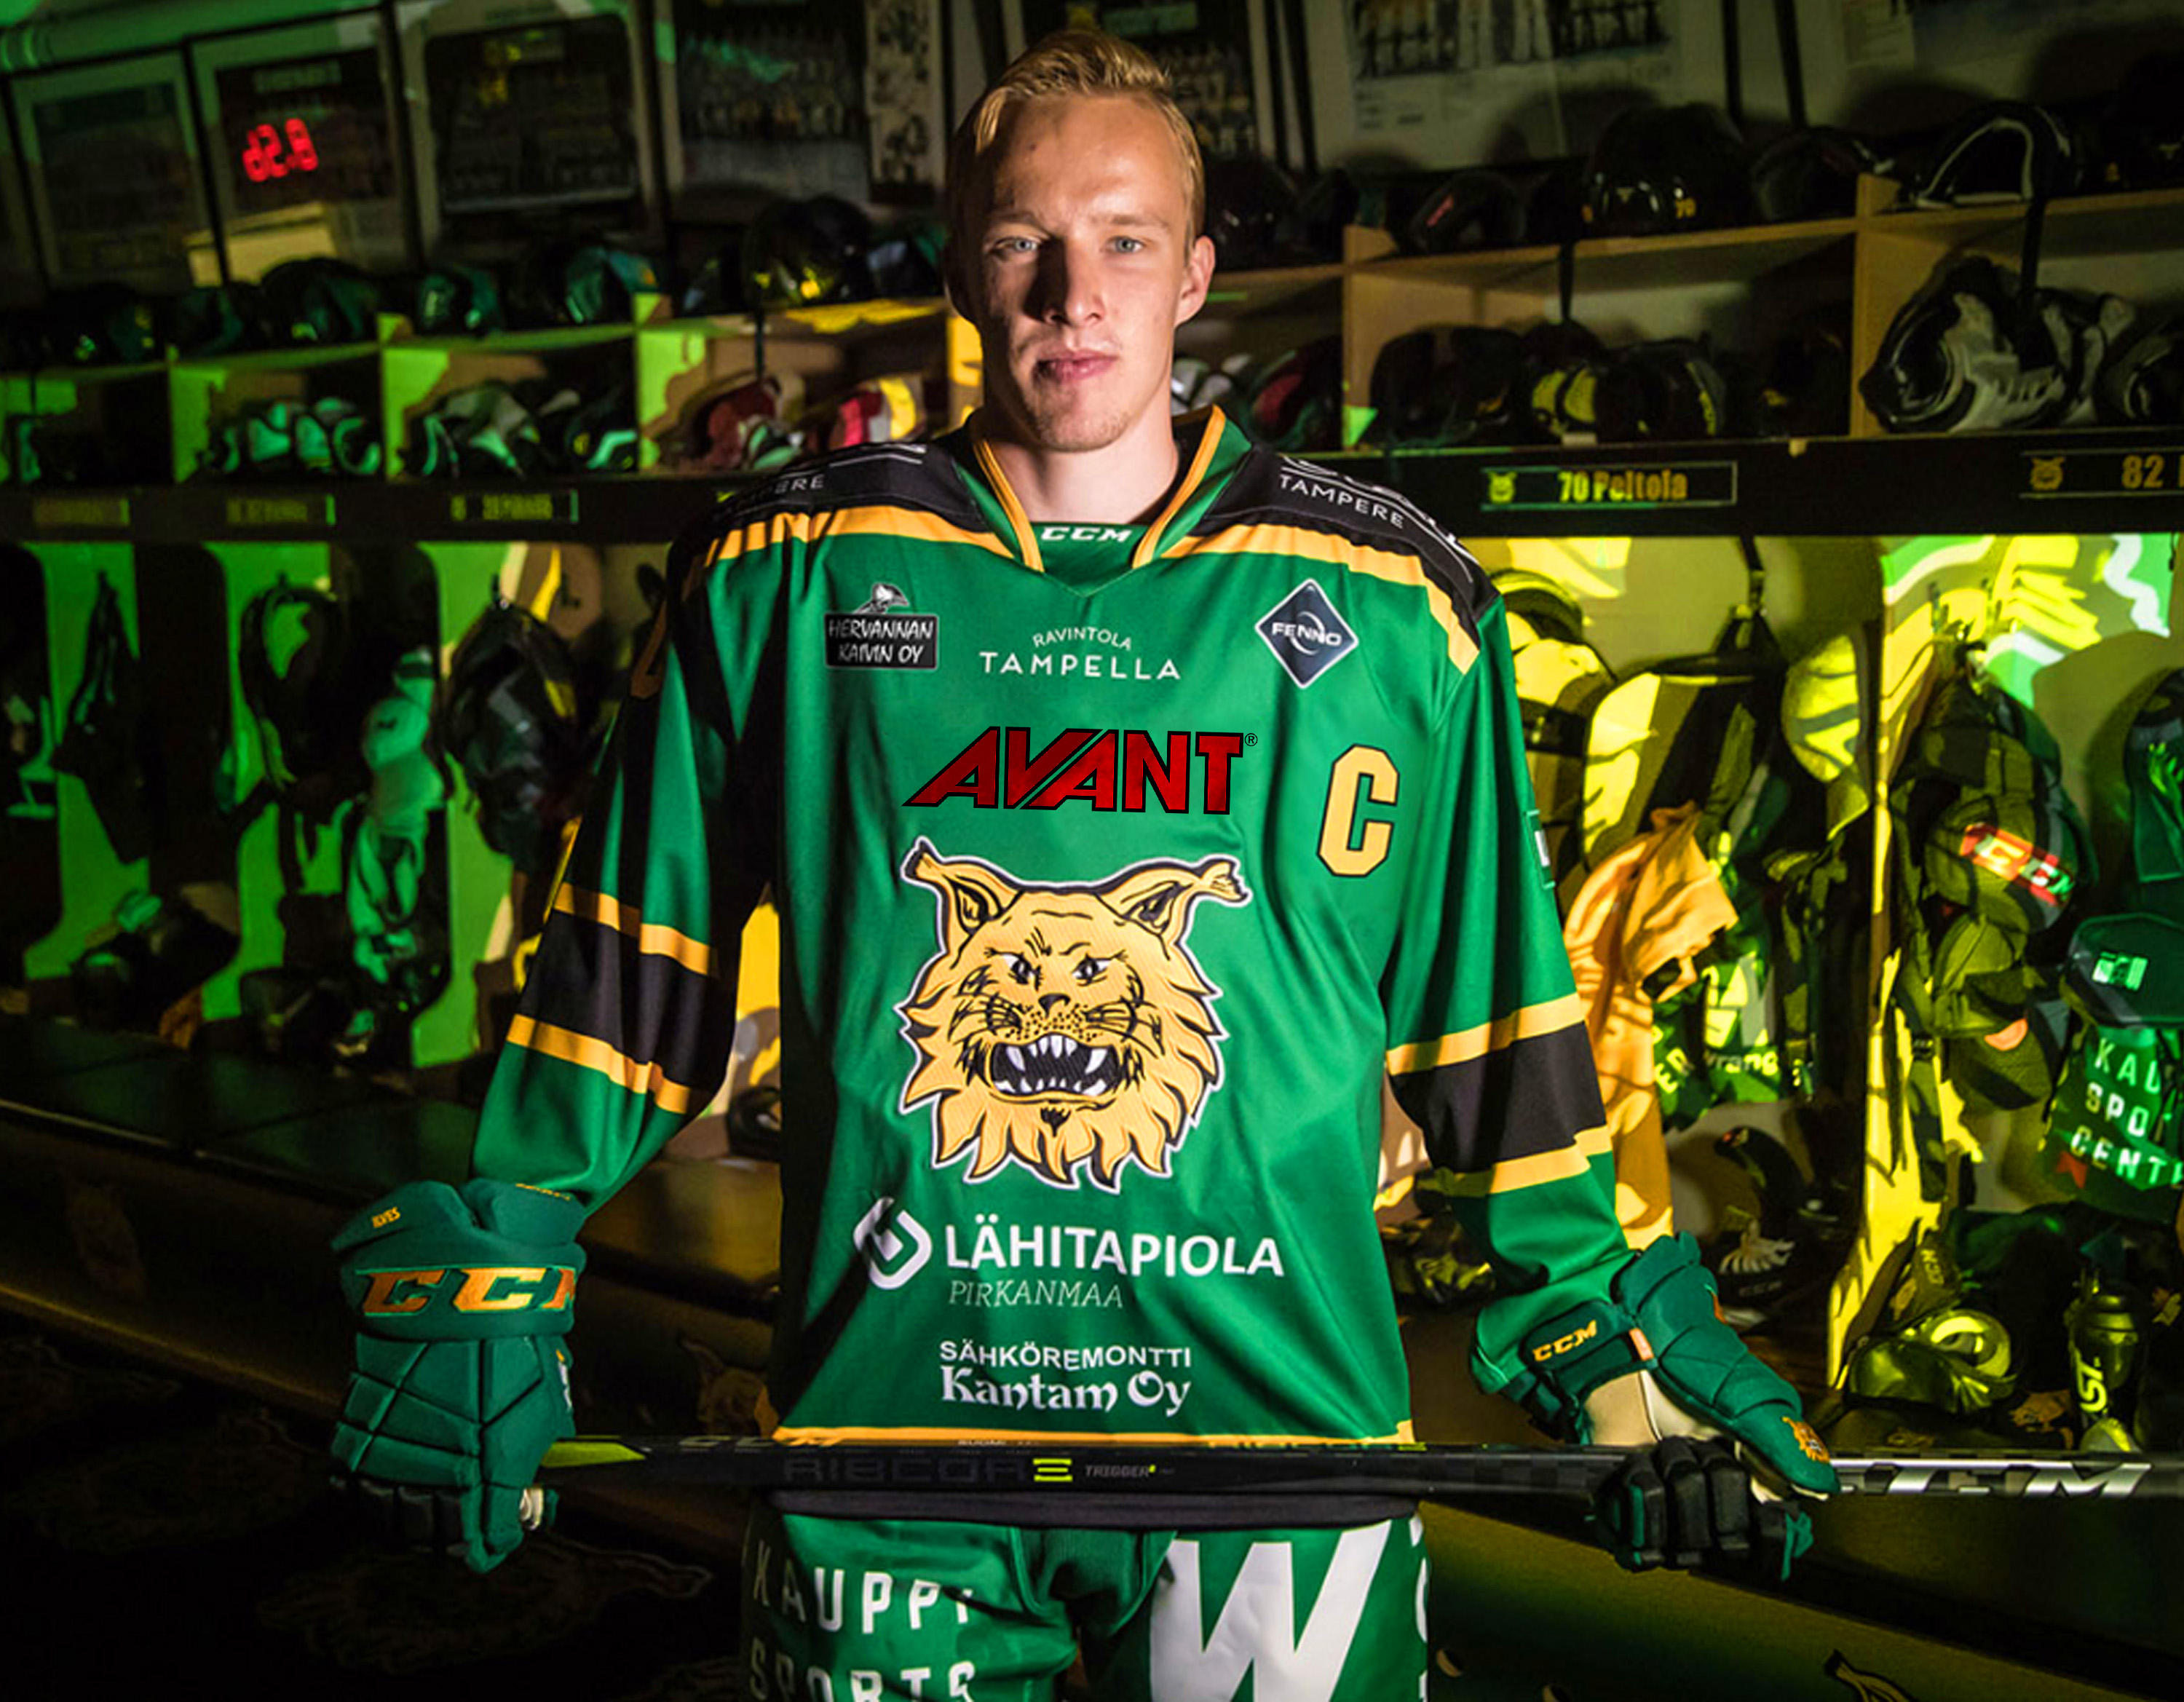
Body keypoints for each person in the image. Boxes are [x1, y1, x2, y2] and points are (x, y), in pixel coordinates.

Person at [330, 29, 1837, 1699]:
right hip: (894, 1456)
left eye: (1124, 239)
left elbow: (1499, 1021)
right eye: (1022, 241)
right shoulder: (778, 572)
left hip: (1280, 1457)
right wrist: (505, 1235)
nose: (1073, 293)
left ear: (1194, 274)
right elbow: (636, 964)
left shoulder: (1400, 601)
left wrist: (1612, 1331)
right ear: (962, 271)